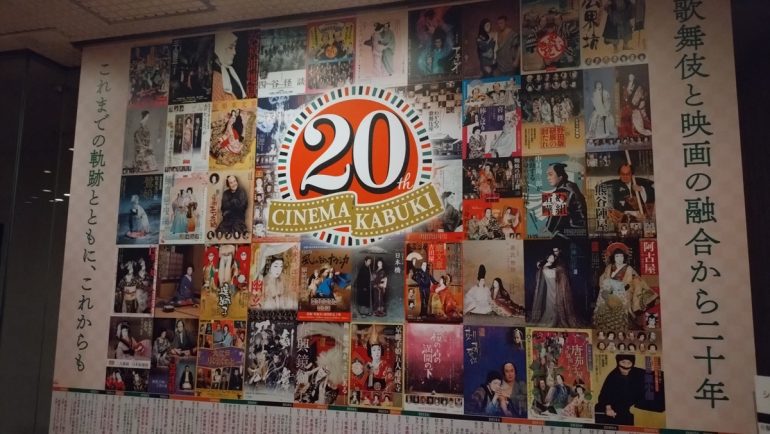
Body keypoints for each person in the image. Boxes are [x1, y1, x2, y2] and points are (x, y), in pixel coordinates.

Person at [592, 245, 658, 333]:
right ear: (613, 258)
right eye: (617, 256)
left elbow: (635, 281)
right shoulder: (609, 268)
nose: (619, 258)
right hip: (609, 291)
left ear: (624, 257)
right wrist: (608, 287)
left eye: (621, 256)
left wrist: (622, 287)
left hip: (624, 291)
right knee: (604, 298)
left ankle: (622, 324)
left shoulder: (629, 269)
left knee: (621, 301)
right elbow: (603, 280)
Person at [595, 354, 664, 424]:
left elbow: (654, 375)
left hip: (633, 404)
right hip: (613, 407)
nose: (626, 366)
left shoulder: (637, 372)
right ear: (618, 362)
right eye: (623, 362)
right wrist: (608, 408)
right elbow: (604, 395)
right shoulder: (613, 375)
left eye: (629, 363)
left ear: (632, 363)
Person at [529, 252, 582, 327]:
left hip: (555, 288)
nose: (553, 258)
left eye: (553, 257)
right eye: (551, 257)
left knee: (556, 304)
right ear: (547, 258)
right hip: (551, 288)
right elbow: (551, 275)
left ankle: (555, 318)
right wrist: (558, 270)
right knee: (552, 304)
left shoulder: (551, 267)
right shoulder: (545, 267)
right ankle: (552, 319)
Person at [544, 163, 587, 237]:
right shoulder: (572, 186)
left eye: (550, 174)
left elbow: (551, 225)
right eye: (547, 175)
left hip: (570, 234)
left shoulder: (560, 191)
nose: (548, 178)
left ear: (560, 176)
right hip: (581, 232)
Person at [213, 32, 247, 100]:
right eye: (230, 47)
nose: (234, 52)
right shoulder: (215, 77)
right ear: (221, 48)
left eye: (234, 47)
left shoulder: (230, 71)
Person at [619, 72, 652, 136]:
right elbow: (624, 95)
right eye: (629, 76)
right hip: (625, 105)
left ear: (634, 77)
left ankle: (639, 129)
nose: (630, 78)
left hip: (634, 106)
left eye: (632, 76)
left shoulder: (638, 86)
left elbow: (640, 97)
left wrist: (634, 104)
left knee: (638, 121)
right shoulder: (625, 85)